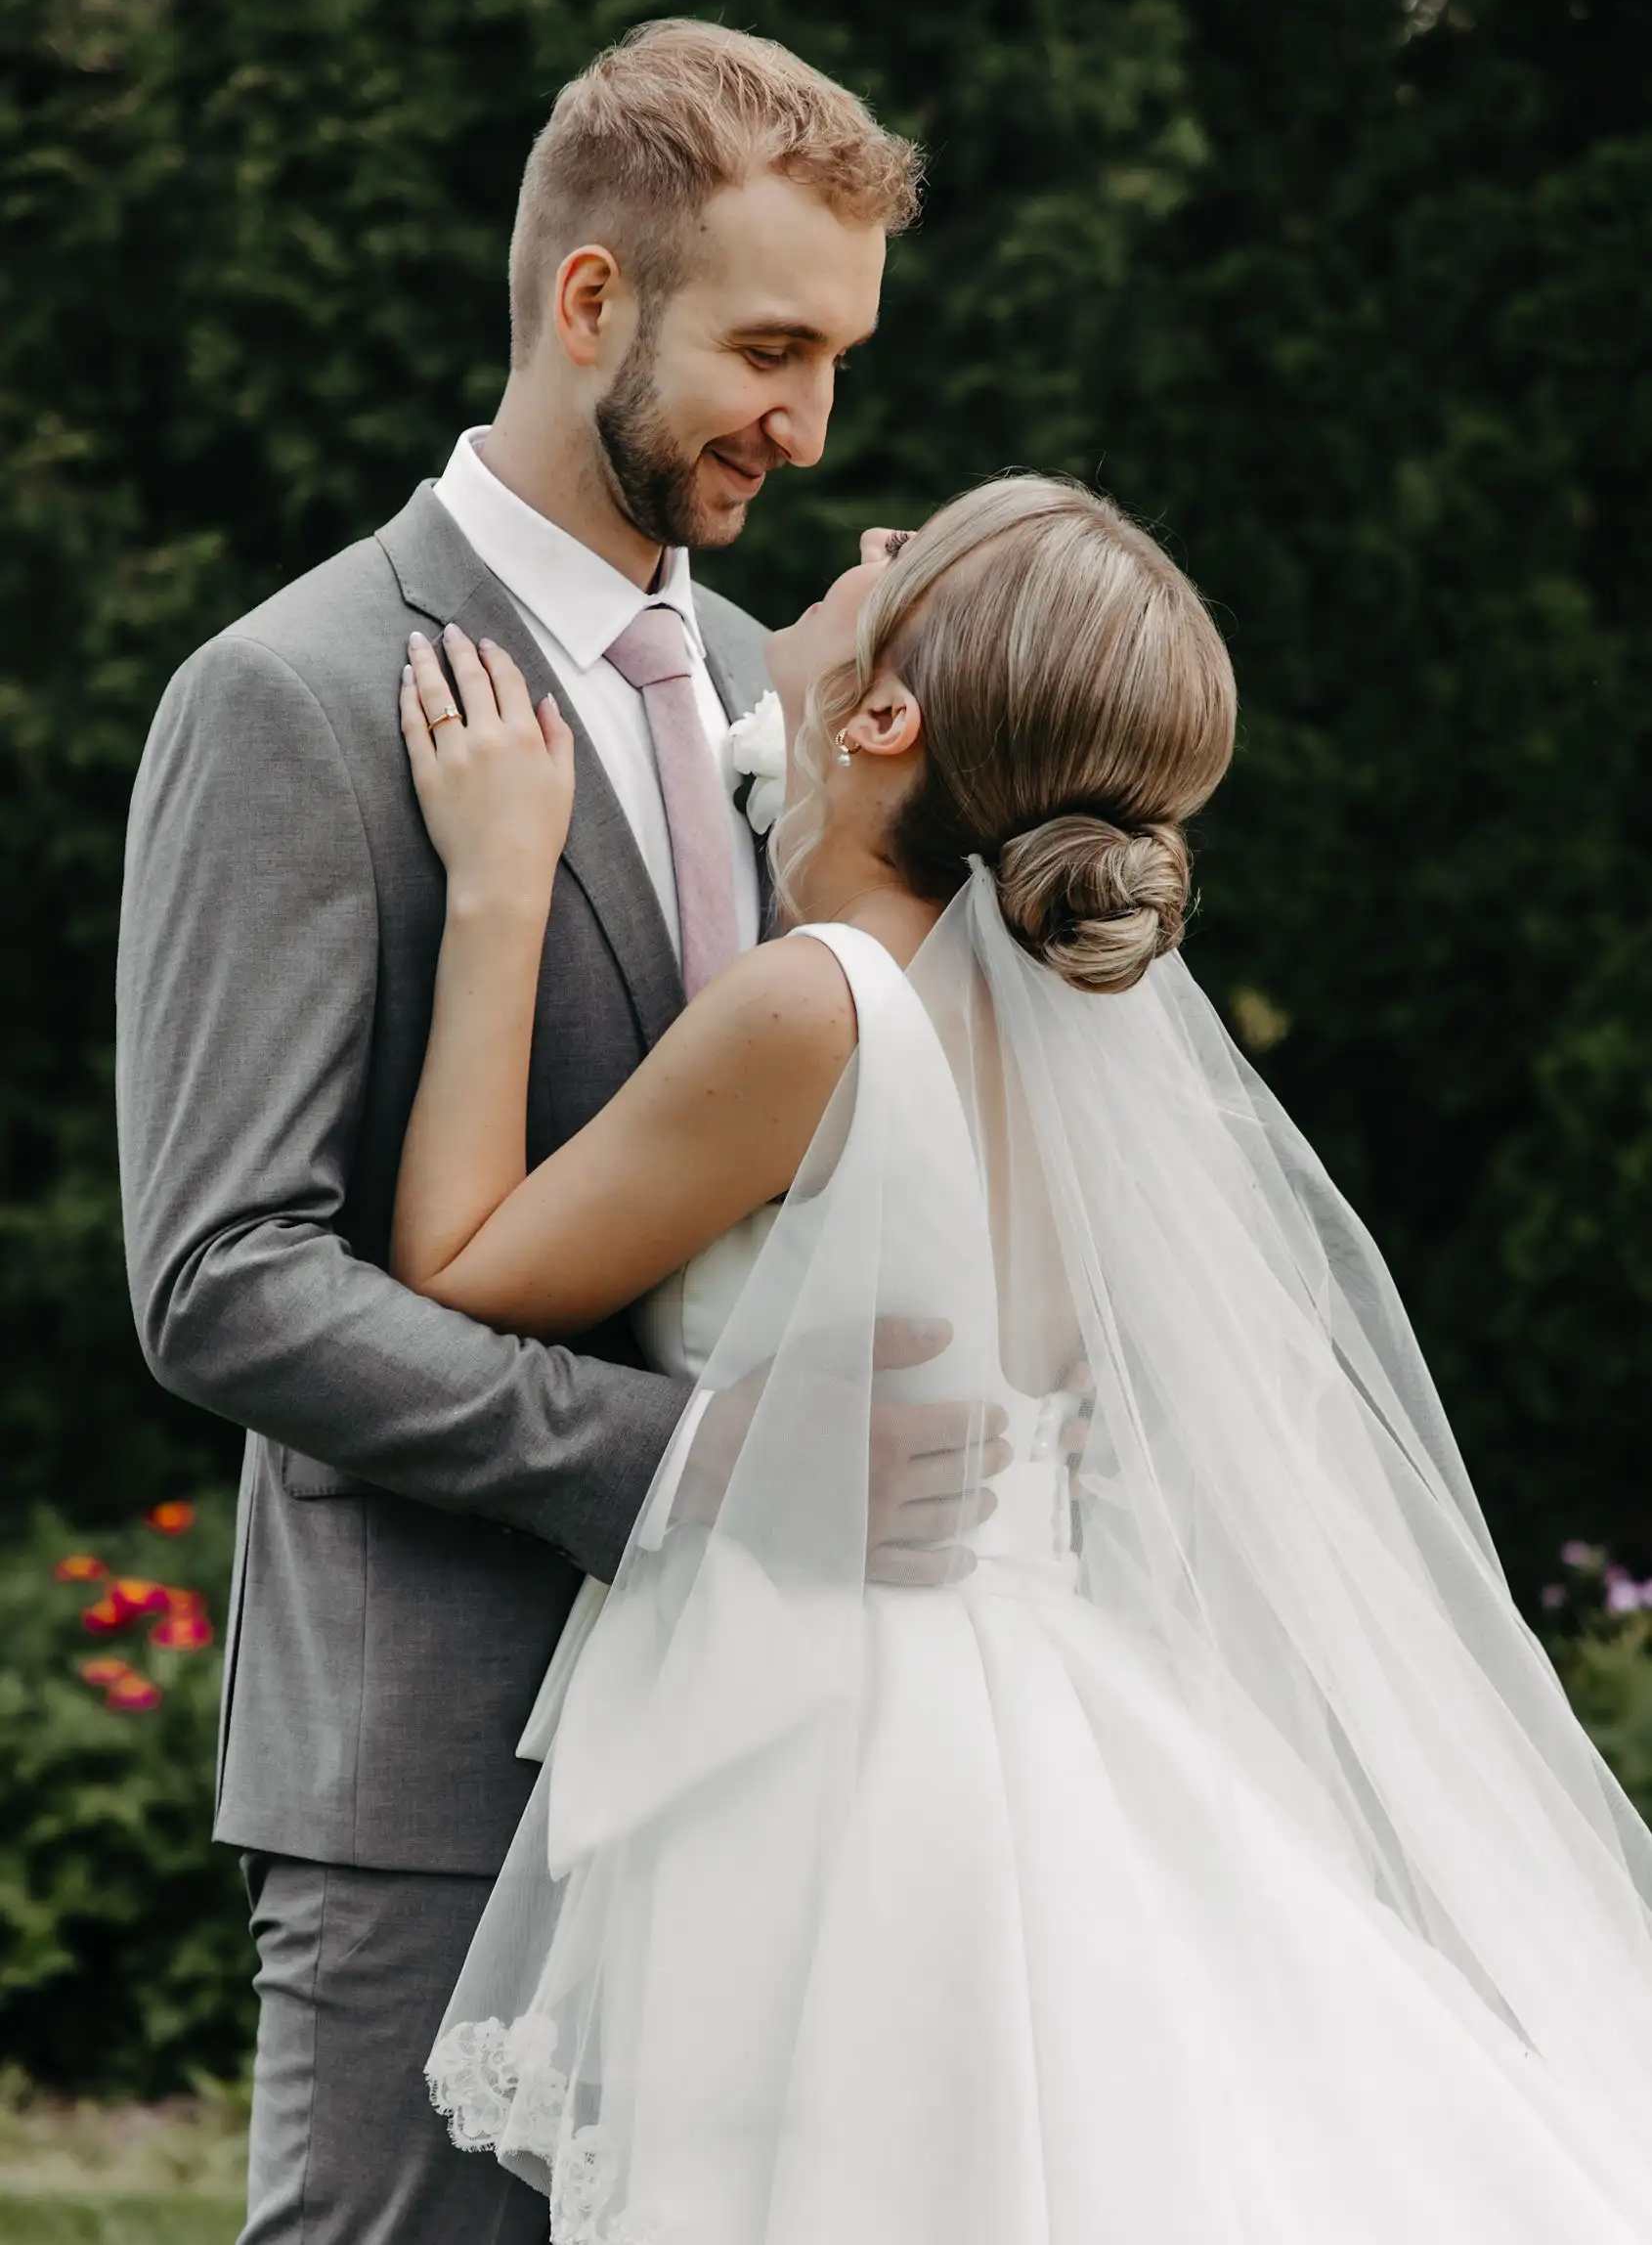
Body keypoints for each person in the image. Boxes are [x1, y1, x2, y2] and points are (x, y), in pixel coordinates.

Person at [394, 474, 1652, 2242]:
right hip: (1040, 1696)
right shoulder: (1064, 1028)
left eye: (900, 557)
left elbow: (457, 1270)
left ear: (891, 711)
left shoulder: (813, 1004)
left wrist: (500, 890)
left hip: (837, 1728)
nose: (863, 548)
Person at [115, 19, 979, 2245]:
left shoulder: (783, 693)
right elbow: (222, 1279)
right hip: (442, 1766)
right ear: (590, 301)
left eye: (840, 358)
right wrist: (693, 1471)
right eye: (767, 347)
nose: (806, 423)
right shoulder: (293, 695)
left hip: (773, 1748)